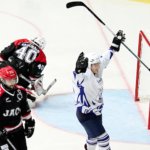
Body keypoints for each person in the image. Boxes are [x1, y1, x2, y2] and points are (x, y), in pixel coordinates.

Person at [72, 30, 125, 150]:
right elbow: (76, 78)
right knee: (104, 138)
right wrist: (78, 69)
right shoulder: (84, 76)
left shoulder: (97, 67)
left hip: (97, 112)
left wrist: (114, 45)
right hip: (85, 114)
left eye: (97, 64)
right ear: (88, 66)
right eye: (94, 65)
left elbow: (106, 57)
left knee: (93, 138)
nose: (97, 66)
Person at [0, 65, 35, 150]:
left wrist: (29, 122)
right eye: (10, 81)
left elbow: (24, 108)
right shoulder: (1, 95)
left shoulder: (21, 91)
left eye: (14, 80)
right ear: (2, 80)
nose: (12, 83)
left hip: (18, 130)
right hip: (3, 133)